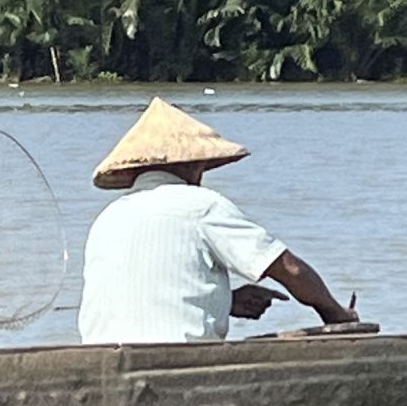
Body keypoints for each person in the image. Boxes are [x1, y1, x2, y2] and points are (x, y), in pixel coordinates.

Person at [78, 96, 358, 344]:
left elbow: (144, 294)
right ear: (193, 164)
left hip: (102, 356)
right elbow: (289, 269)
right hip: (177, 359)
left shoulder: (107, 218)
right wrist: (336, 313)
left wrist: (226, 302)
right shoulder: (201, 206)